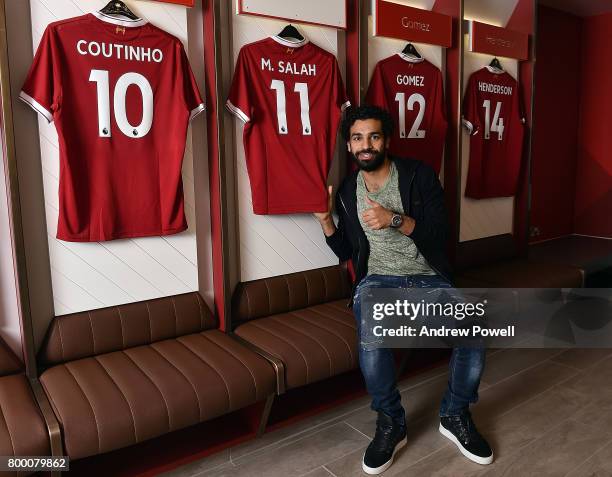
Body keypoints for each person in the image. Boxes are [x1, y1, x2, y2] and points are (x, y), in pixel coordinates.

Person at [314, 105, 493, 475]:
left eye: (374, 136)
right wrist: (326, 221)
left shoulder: (418, 175)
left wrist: (394, 219)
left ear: (386, 140)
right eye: (358, 138)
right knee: (373, 333)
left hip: (429, 278)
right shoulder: (348, 190)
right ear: (349, 146)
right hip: (378, 281)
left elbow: (441, 235)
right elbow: (348, 251)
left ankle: (455, 414)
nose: (366, 145)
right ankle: (391, 422)